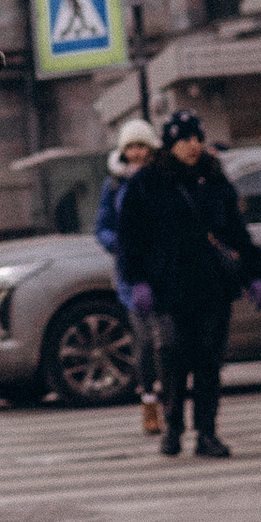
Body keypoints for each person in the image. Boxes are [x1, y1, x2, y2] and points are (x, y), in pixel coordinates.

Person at [116, 111, 261, 458]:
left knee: (209, 362)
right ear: (171, 143)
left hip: (211, 285)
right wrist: (137, 281)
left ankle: (207, 432)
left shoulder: (214, 179)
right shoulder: (148, 183)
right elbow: (130, 238)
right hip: (169, 287)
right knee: (173, 357)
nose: (193, 146)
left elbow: (235, 230)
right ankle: (173, 429)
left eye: (197, 138)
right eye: (185, 140)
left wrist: (253, 272)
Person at [96, 119, 162, 436]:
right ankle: (149, 400)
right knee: (145, 341)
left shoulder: (162, 179)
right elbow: (103, 226)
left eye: (141, 146)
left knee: (170, 341)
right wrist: (118, 245)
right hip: (131, 274)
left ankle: (172, 399)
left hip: (164, 270)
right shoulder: (113, 185)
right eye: (130, 147)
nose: (136, 153)